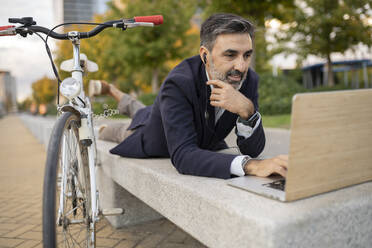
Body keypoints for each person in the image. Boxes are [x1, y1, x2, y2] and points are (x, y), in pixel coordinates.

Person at [90, 13, 288, 179]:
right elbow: (183, 156)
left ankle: (111, 90)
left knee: (140, 108)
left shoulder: (249, 79)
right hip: (151, 135)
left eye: (247, 55)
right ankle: (109, 100)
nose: (242, 66)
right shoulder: (178, 82)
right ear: (204, 55)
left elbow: (252, 150)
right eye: (230, 55)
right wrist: (251, 166)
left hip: (168, 116)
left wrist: (248, 112)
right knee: (128, 123)